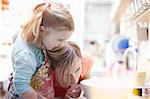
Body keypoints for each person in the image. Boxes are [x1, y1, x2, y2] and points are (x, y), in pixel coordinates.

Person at [5, 1, 74, 99]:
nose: (61, 44)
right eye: (60, 40)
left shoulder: (31, 36)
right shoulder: (27, 55)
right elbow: (21, 86)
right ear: (42, 31)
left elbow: (15, 37)